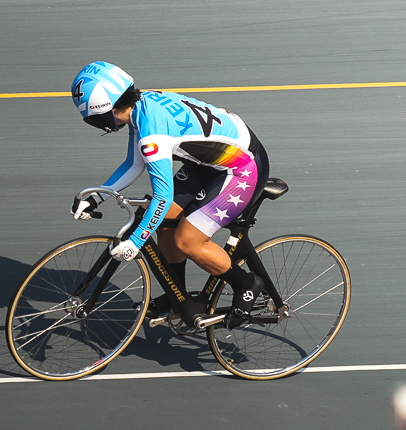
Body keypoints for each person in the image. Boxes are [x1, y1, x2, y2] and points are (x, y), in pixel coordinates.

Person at [68, 61, 272, 323]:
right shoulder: (142, 103)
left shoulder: (152, 133)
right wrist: (97, 197)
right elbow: (133, 164)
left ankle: (247, 284)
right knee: (163, 222)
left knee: (186, 240)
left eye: (94, 120)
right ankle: (179, 296)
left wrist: (136, 243)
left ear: (105, 112)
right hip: (211, 161)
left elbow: (162, 197)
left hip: (242, 167)